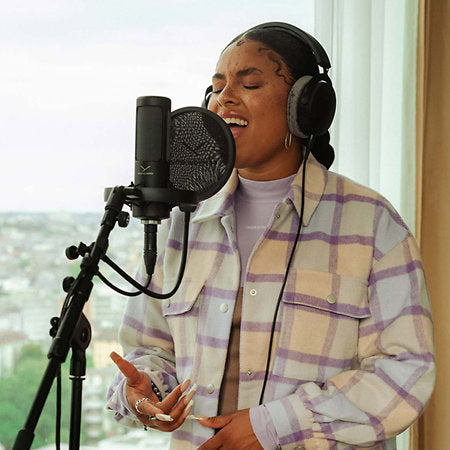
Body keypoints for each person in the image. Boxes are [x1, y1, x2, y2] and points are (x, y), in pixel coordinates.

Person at [106, 22, 435, 449]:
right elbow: (149, 347)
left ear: (305, 107)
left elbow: (405, 372)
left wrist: (274, 425)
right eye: (216, 87)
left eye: (250, 84)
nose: (224, 98)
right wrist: (145, 392)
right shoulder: (182, 220)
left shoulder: (371, 224)